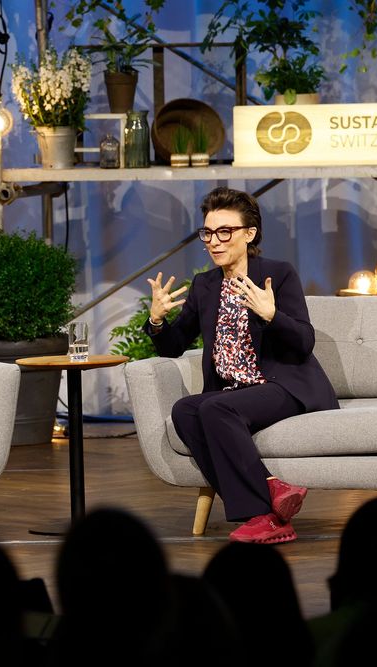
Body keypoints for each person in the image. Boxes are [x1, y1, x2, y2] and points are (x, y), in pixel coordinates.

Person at [146, 186, 338, 544]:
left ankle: (259, 511)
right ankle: (270, 501)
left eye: (224, 232)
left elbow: (303, 343)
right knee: (186, 410)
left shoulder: (277, 275)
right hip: (233, 393)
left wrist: (271, 315)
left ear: (249, 234)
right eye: (208, 233)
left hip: (282, 387)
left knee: (216, 407)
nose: (214, 242)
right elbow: (174, 347)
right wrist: (157, 321)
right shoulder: (205, 285)